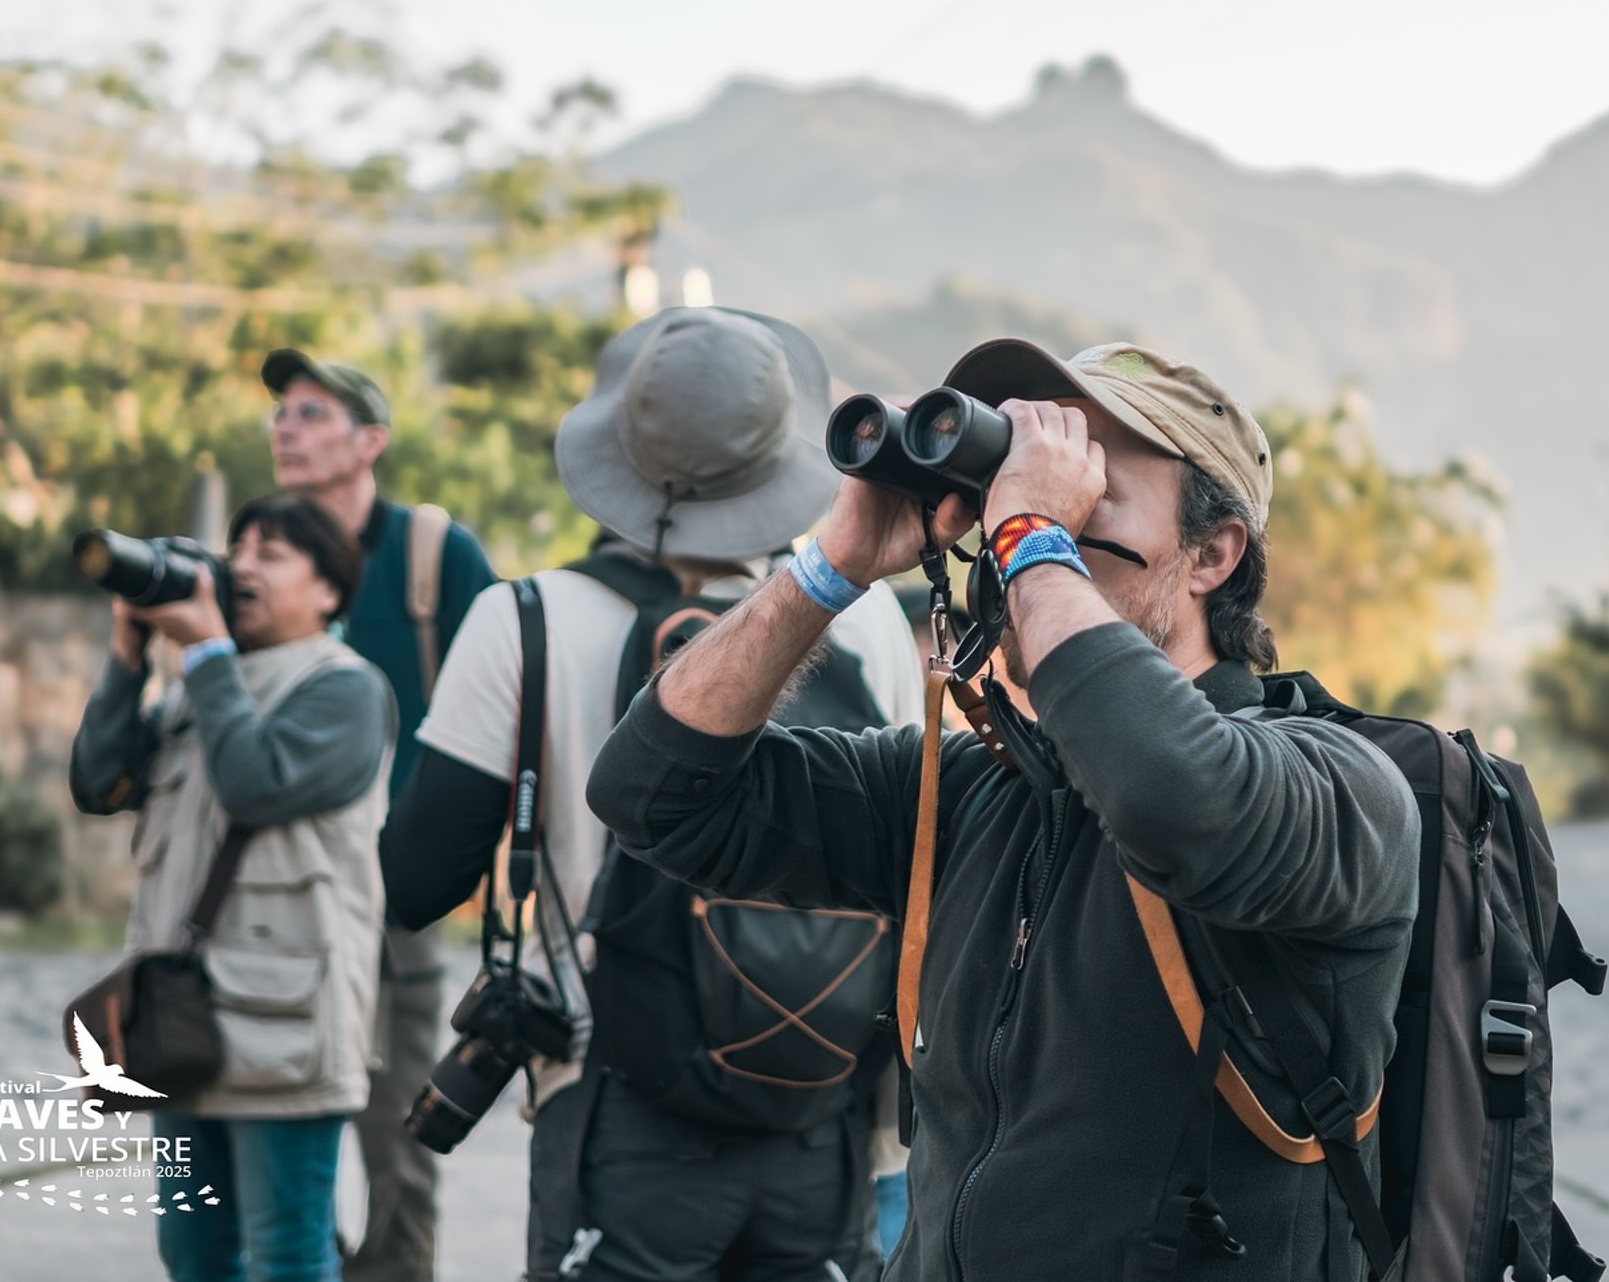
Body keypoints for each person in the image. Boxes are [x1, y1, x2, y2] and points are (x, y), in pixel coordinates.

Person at [587, 340, 1421, 1281]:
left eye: (1087, 483)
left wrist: (1031, 531)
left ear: (1211, 555)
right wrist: (836, 563)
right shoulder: (967, 795)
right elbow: (653, 796)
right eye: (1013, 480)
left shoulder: (1340, 789)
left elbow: (1169, 799)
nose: (1020, 516)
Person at [382, 306, 924, 1282]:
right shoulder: (869, 617)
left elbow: (415, 882)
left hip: (615, 1106)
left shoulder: (524, 621)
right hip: (820, 1101)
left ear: (620, 450)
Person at [70, 495, 396, 1282]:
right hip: (177, 1024)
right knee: (193, 1253)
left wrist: (209, 653)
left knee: (286, 1254)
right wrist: (127, 657)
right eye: (239, 546)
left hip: (285, 1031)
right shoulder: (197, 686)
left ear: (329, 590)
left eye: (273, 553)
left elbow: (256, 782)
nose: (243, 564)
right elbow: (97, 782)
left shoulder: (344, 688)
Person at [262, 348, 495, 1282]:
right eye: (280, 413)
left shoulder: (436, 554)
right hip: (279, 899)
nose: (285, 427)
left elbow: (507, 707)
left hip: (398, 897)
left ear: (371, 441)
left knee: (400, 1126)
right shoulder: (260, 555)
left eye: (311, 413)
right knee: (276, 1122)